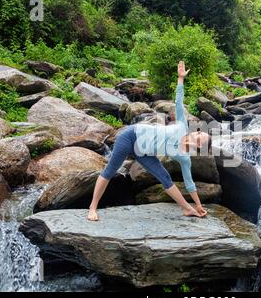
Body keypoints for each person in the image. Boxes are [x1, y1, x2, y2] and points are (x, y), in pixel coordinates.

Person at [87, 61, 210, 221]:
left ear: (199, 146)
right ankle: (92, 207)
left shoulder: (184, 158)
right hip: (131, 137)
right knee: (110, 171)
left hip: (144, 153)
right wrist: (180, 79)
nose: (196, 134)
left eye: (199, 137)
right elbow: (179, 102)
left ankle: (188, 209)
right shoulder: (182, 125)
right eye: (198, 133)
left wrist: (198, 205)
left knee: (165, 178)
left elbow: (190, 183)